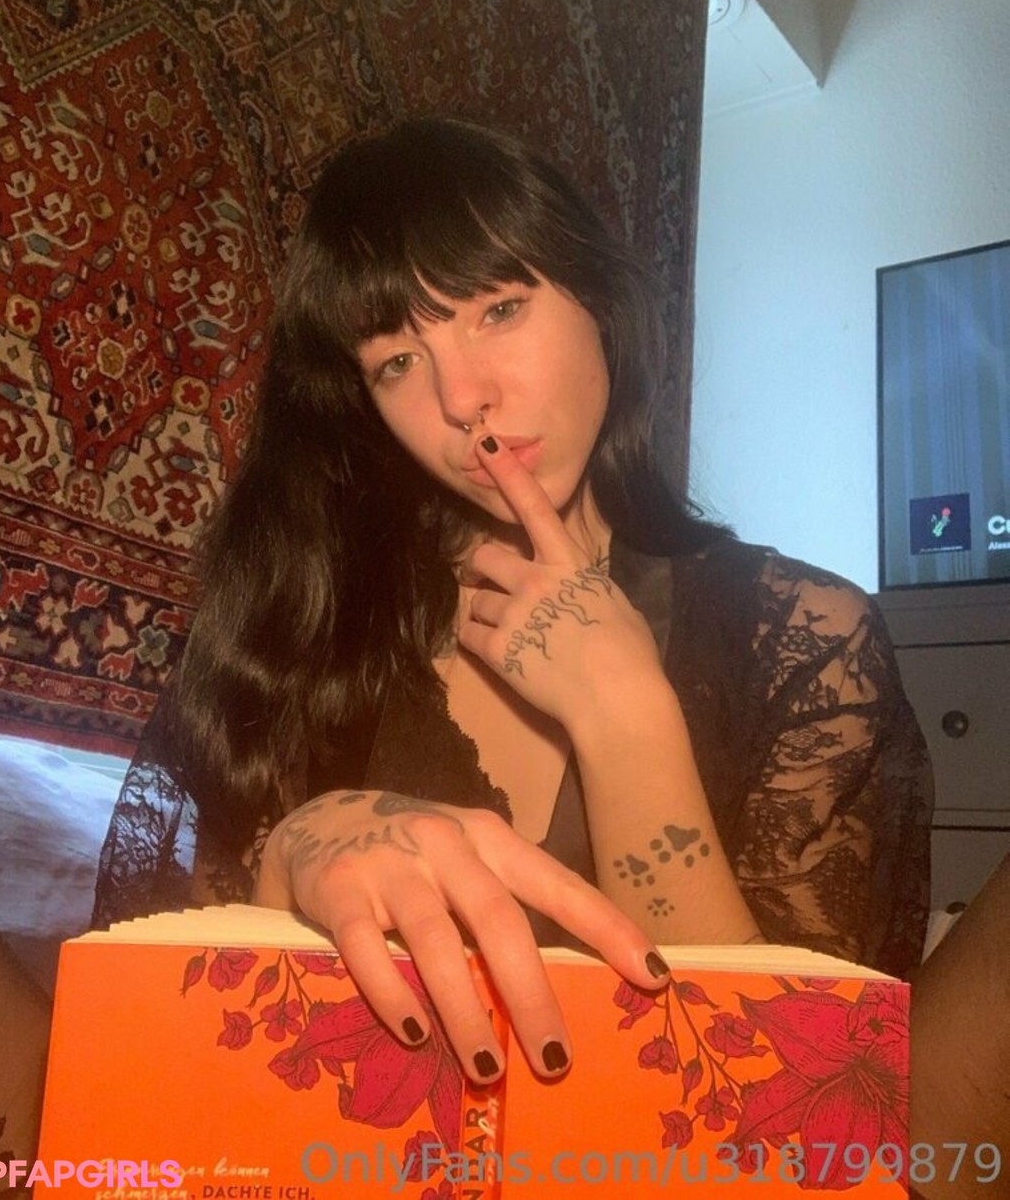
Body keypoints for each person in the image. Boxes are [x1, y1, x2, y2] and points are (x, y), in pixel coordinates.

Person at [93, 116, 933, 1087]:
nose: (462, 397)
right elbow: (179, 1062)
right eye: (396, 362)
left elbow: (789, 1113)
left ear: (597, 300)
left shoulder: (808, 638)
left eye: (497, 309)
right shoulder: (306, 627)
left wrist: (626, 718)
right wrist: (291, 855)